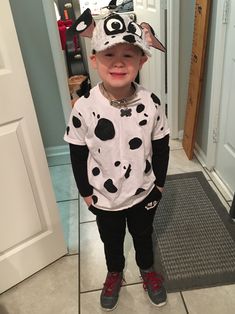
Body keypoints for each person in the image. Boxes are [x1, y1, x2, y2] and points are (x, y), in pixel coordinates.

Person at [64, 9, 170, 311]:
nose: (119, 62)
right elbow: (77, 150)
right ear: (95, 59)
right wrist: (86, 192)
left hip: (144, 191)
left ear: (142, 61)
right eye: (109, 54)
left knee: (142, 234)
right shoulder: (84, 106)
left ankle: (147, 269)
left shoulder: (150, 103)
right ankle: (114, 272)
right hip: (103, 197)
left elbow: (161, 145)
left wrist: (159, 186)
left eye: (128, 54)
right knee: (111, 239)